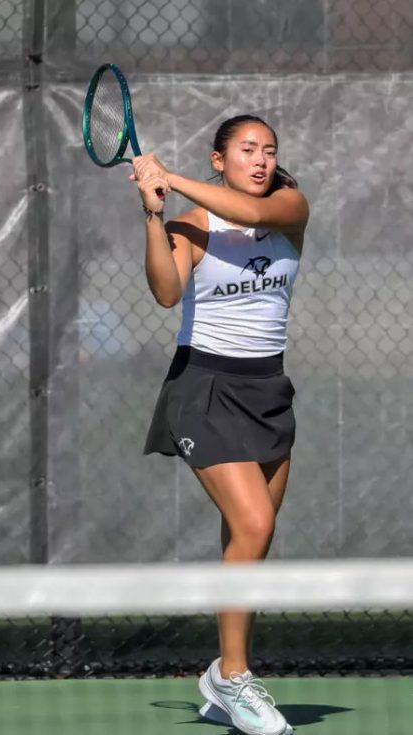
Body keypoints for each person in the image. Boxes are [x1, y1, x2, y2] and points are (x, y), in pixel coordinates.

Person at [134, 114, 307, 735]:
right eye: (246, 150)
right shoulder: (193, 222)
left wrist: (168, 175)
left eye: (268, 150)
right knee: (253, 521)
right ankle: (235, 679)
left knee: (250, 542)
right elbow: (165, 293)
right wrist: (156, 214)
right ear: (220, 160)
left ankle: (223, 675)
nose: (260, 160)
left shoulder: (289, 206)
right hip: (202, 388)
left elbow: (255, 216)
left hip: (269, 391)